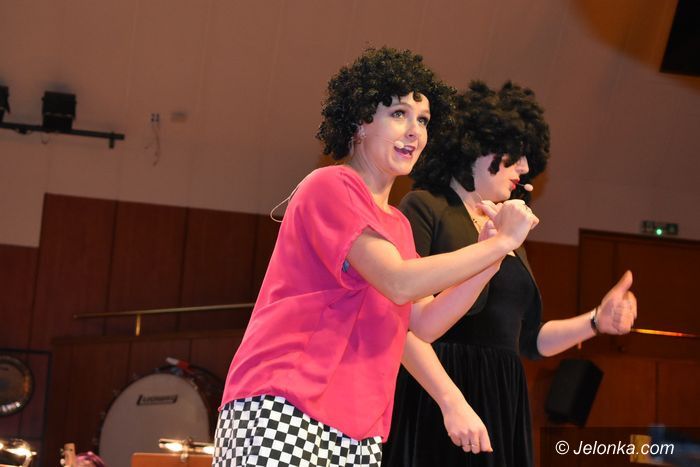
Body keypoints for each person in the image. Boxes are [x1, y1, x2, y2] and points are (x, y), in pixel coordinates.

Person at [212, 51, 538, 467]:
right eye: (399, 114)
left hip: (360, 426)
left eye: (423, 120)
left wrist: (491, 258)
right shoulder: (331, 185)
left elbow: (424, 323)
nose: (415, 131)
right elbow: (398, 281)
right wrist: (494, 244)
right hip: (284, 405)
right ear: (360, 122)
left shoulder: (397, 225)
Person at [382, 81, 638, 467]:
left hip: (502, 398)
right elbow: (402, 320)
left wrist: (596, 321)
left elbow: (528, 340)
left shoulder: (509, 230)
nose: (525, 167)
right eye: (516, 153)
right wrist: (452, 401)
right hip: (437, 395)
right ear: (478, 144)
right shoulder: (425, 207)